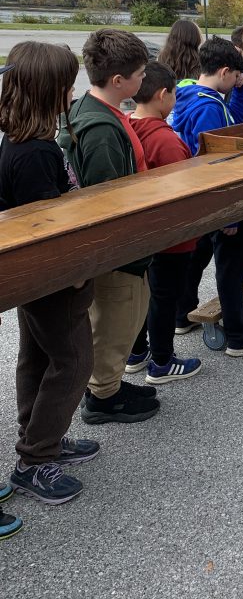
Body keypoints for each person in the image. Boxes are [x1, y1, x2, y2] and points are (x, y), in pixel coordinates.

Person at [0, 42, 98, 504]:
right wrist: (75, 271)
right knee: (74, 361)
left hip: (33, 280)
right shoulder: (36, 153)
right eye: (67, 85)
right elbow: (45, 230)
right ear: (49, 91)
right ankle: (36, 458)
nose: (73, 91)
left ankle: (40, 435)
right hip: (53, 279)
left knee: (36, 356)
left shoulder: (17, 138)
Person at [59, 29, 159, 425]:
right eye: (139, 74)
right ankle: (104, 396)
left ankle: (109, 382)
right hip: (118, 257)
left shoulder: (97, 110)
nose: (144, 81)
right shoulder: (101, 130)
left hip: (124, 251)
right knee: (118, 319)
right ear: (119, 82)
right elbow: (106, 204)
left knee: (123, 317)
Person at [173, 37, 243, 352]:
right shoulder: (208, 107)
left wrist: (242, 91)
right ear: (223, 72)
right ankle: (239, 334)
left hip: (199, 196)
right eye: (235, 76)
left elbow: (231, 126)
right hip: (218, 197)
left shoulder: (192, 91)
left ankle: (182, 314)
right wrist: (229, 211)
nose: (239, 80)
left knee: (199, 253)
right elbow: (217, 161)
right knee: (232, 265)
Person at [128, 61, 203, 383]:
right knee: (164, 297)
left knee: (142, 295)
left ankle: (135, 352)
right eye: (174, 95)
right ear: (163, 96)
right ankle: (162, 361)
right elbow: (183, 192)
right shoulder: (166, 142)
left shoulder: (127, 127)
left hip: (140, 234)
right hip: (171, 237)